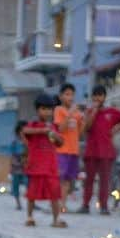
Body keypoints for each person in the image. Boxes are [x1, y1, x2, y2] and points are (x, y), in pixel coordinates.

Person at [78, 86, 120, 215]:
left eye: (100, 95)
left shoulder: (111, 112)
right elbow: (86, 128)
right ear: (92, 97)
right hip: (91, 151)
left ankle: (104, 206)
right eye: (95, 95)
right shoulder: (88, 112)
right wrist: (94, 111)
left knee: (105, 181)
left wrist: (116, 129)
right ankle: (85, 205)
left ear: (104, 97)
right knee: (88, 180)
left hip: (106, 151)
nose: (97, 98)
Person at [22, 94, 66, 228]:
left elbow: (61, 142)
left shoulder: (54, 127)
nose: (47, 112)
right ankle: (29, 217)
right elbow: (25, 130)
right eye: (43, 109)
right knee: (32, 194)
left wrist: (55, 135)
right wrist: (43, 130)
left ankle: (56, 219)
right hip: (36, 167)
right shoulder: (33, 125)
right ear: (37, 110)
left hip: (51, 167)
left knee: (55, 194)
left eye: (49, 109)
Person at [52, 83, 83, 212]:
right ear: (60, 96)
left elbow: (80, 132)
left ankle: (62, 204)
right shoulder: (59, 110)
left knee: (68, 180)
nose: (70, 97)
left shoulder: (77, 113)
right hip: (61, 150)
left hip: (73, 150)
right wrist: (70, 113)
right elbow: (60, 128)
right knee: (59, 178)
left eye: (72, 94)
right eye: (67, 94)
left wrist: (83, 118)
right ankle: (55, 203)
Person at [10, 121, 28, 211]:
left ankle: (31, 202)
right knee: (15, 185)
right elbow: (13, 154)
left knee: (28, 183)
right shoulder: (15, 142)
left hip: (26, 167)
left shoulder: (29, 141)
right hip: (16, 166)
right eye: (22, 131)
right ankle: (18, 203)